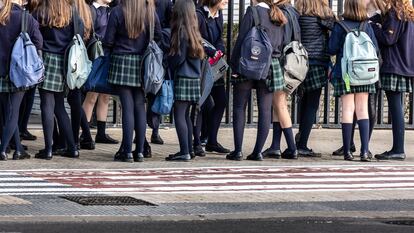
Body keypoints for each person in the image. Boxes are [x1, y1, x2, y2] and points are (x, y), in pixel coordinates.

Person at [228, 0, 287, 161]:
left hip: (249, 62)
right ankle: (258, 152)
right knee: (265, 110)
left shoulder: (252, 12)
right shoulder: (279, 15)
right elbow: (282, 44)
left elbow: (241, 40)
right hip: (270, 66)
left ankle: (238, 151)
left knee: (240, 107)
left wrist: (234, 66)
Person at [103, 0, 162, 163]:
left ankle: (127, 151)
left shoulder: (118, 11)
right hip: (143, 63)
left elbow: (108, 40)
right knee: (139, 106)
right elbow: (158, 36)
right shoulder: (150, 12)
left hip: (121, 60)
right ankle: (140, 151)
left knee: (127, 107)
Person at [331, 0, 385, 157]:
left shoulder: (340, 26)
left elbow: (332, 49)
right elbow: (374, 48)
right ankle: (364, 150)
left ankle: (347, 151)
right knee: (362, 110)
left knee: (348, 109)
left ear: (346, 7)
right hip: (364, 75)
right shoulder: (366, 26)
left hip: (346, 75)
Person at [33, 0, 82, 160]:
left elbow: (32, 34)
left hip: (45, 58)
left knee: (46, 104)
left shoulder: (41, 11)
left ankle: (48, 149)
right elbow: (79, 34)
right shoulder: (71, 12)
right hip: (64, 61)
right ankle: (72, 147)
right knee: (59, 105)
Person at [0, 0, 42, 160]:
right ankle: (3, 149)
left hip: (2, 71)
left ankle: (18, 149)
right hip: (20, 71)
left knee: (9, 112)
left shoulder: (1, 16)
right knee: (13, 113)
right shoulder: (26, 18)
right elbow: (39, 42)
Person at [372, 0, 414, 161]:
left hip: (394, 65)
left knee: (396, 108)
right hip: (405, 64)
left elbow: (388, 39)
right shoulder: (408, 13)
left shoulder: (394, 13)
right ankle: (398, 148)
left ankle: (398, 149)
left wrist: (374, 27)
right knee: (398, 107)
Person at [294, 0, 335, 157]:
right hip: (317, 63)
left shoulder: (297, 15)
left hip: (299, 63)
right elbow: (336, 30)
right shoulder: (324, 16)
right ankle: (303, 144)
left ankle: (299, 139)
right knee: (312, 104)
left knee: (302, 101)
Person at [166, 0, 205, 162]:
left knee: (179, 115)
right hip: (194, 78)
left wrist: (170, 62)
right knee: (187, 116)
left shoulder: (181, 31)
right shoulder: (194, 31)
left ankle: (184, 151)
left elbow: (179, 59)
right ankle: (188, 149)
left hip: (183, 76)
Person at [262, 0, 300, 160]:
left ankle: (292, 148)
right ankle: (275, 146)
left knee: (280, 104)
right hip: (291, 62)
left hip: (282, 62)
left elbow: (281, 40)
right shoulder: (292, 11)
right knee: (277, 106)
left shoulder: (282, 11)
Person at [80, 0, 119, 149]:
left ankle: (101, 133)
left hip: (109, 55)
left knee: (105, 95)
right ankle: (84, 132)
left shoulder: (111, 10)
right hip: (96, 56)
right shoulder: (91, 10)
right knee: (92, 95)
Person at [194, 0, 230, 157]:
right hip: (201, 67)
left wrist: (220, 49)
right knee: (200, 104)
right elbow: (195, 39)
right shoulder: (199, 15)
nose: (226, 1)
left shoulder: (218, 14)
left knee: (221, 101)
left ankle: (212, 141)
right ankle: (196, 143)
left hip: (214, 66)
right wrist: (210, 51)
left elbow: (219, 38)